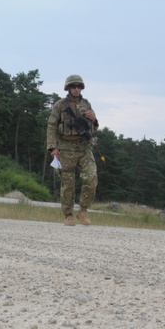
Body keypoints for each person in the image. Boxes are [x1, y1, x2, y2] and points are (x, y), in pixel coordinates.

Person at [46, 74, 99, 226]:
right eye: (73, 86)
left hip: (84, 147)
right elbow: (51, 126)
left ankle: (83, 211)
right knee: (67, 183)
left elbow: (93, 128)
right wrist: (53, 147)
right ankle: (68, 215)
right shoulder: (60, 105)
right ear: (68, 88)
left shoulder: (87, 104)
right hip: (66, 148)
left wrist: (94, 119)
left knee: (91, 177)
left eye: (79, 87)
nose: (76, 89)